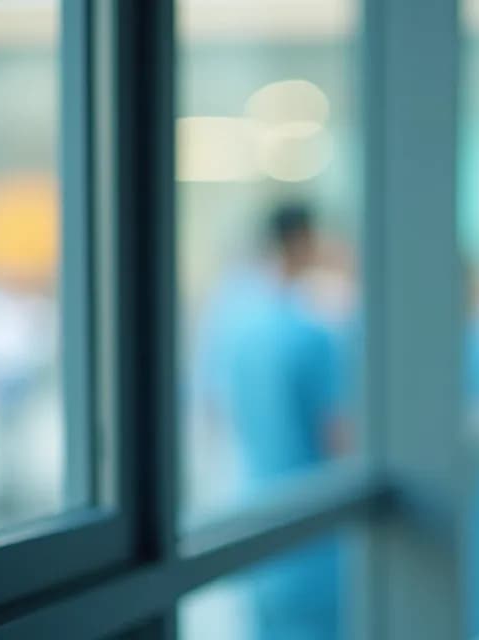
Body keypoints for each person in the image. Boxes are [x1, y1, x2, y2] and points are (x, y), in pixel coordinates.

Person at [197, 202, 344, 640]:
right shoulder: (311, 334)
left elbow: (215, 415)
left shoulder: (234, 327)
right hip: (311, 535)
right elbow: (339, 437)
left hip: (257, 515)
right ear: (304, 243)